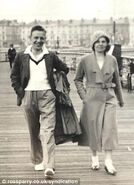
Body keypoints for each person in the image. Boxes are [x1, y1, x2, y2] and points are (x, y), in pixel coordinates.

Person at [10, 25, 69, 177]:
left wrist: (55, 79)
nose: (39, 41)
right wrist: (21, 93)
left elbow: (65, 68)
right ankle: (38, 160)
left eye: (42, 38)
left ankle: (49, 165)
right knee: (33, 130)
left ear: (45, 39)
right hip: (28, 95)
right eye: (36, 38)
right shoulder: (21, 55)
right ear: (30, 38)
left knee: (48, 130)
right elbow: (14, 76)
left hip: (47, 96)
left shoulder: (50, 55)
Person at [74, 31, 124, 175]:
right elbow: (77, 79)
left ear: (107, 44)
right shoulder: (85, 59)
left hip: (109, 97)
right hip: (92, 98)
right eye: (98, 41)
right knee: (93, 128)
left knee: (110, 128)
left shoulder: (112, 59)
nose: (101, 44)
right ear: (93, 43)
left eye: (104, 41)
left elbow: (117, 81)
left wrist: (120, 99)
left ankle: (108, 161)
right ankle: (94, 157)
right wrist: (84, 96)